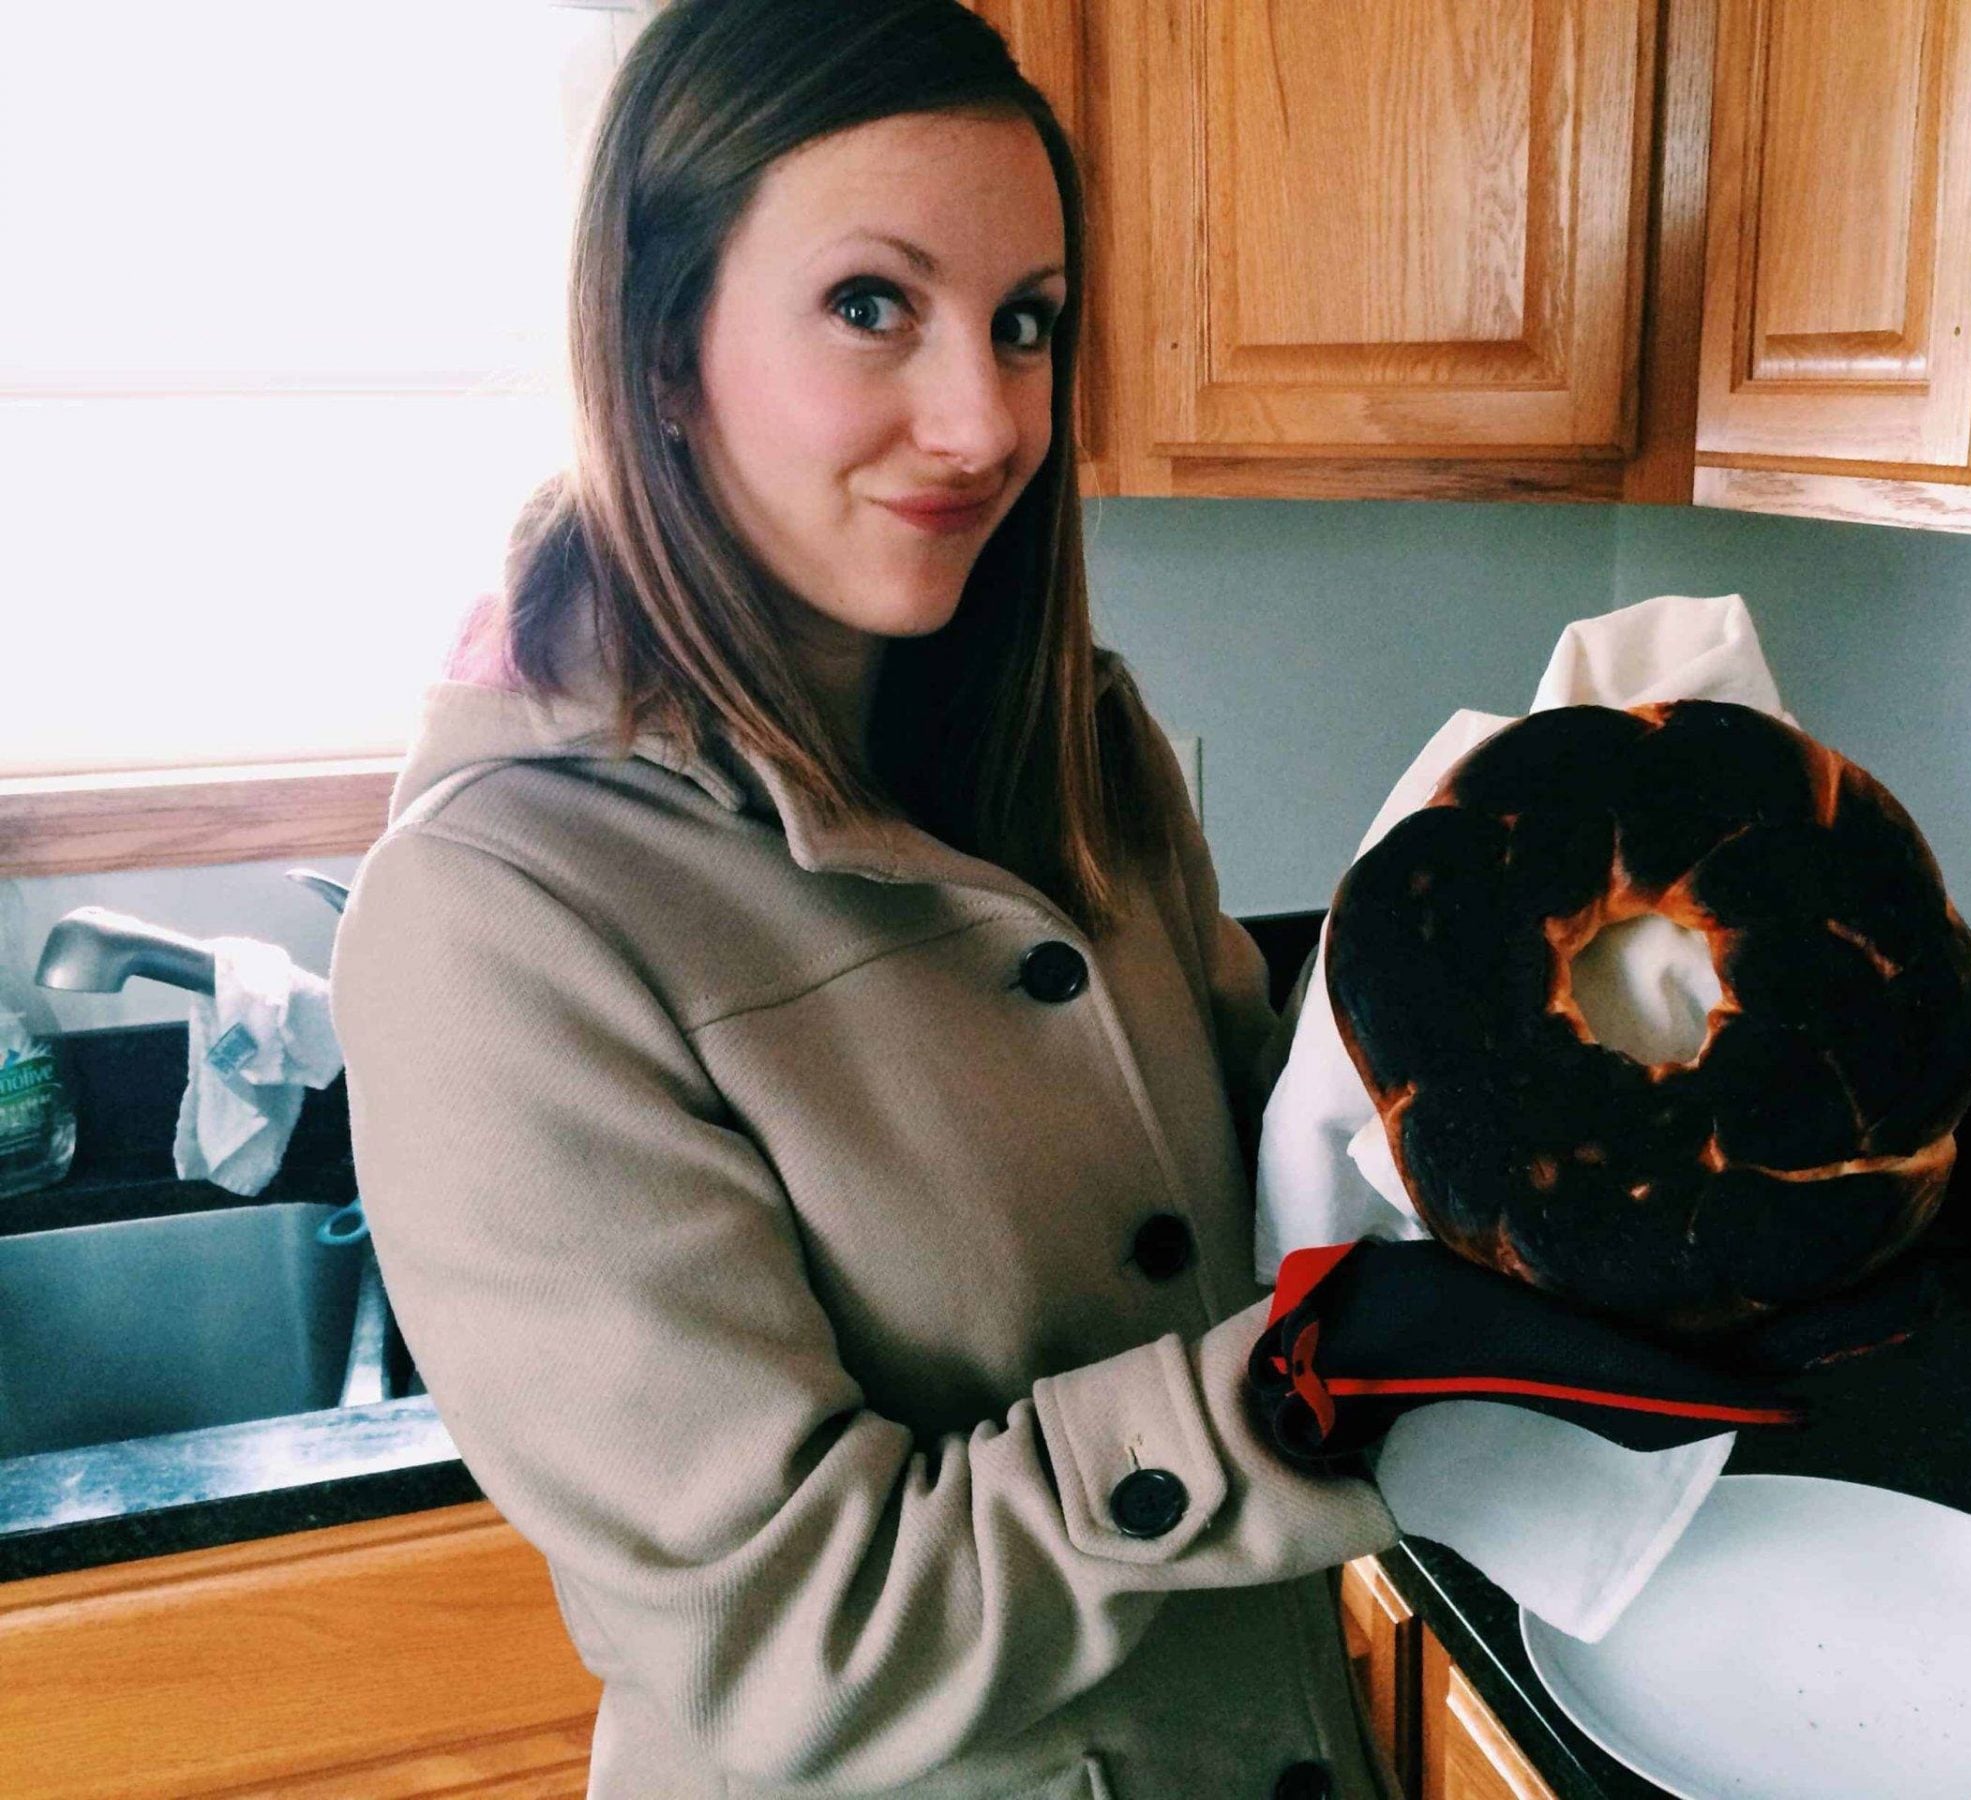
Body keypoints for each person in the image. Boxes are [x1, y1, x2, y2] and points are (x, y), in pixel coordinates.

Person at [333, 4, 1843, 1796]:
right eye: (872, 304)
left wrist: (1603, 1173)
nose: (985, 420)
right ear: (666, 350)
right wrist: (1306, 1395)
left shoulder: (1077, 748)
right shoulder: (496, 922)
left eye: (1027, 321)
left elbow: (1254, 1163)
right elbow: (797, 1643)